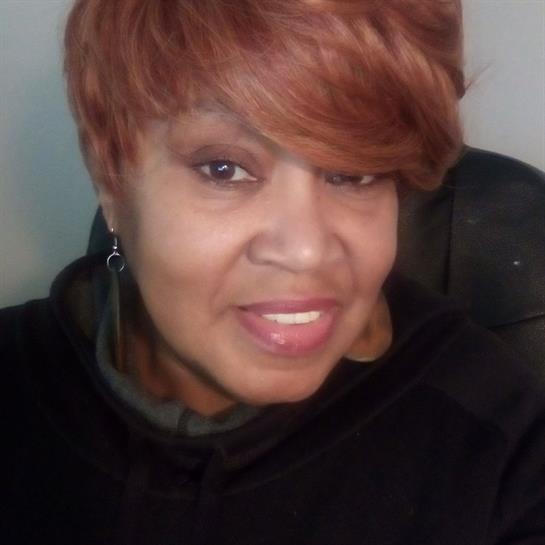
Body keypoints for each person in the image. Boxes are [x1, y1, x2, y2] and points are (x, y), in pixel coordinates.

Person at [2, 1, 544, 544]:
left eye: (354, 174)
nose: (306, 250)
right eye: (224, 168)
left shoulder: (496, 435)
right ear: (112, 183)